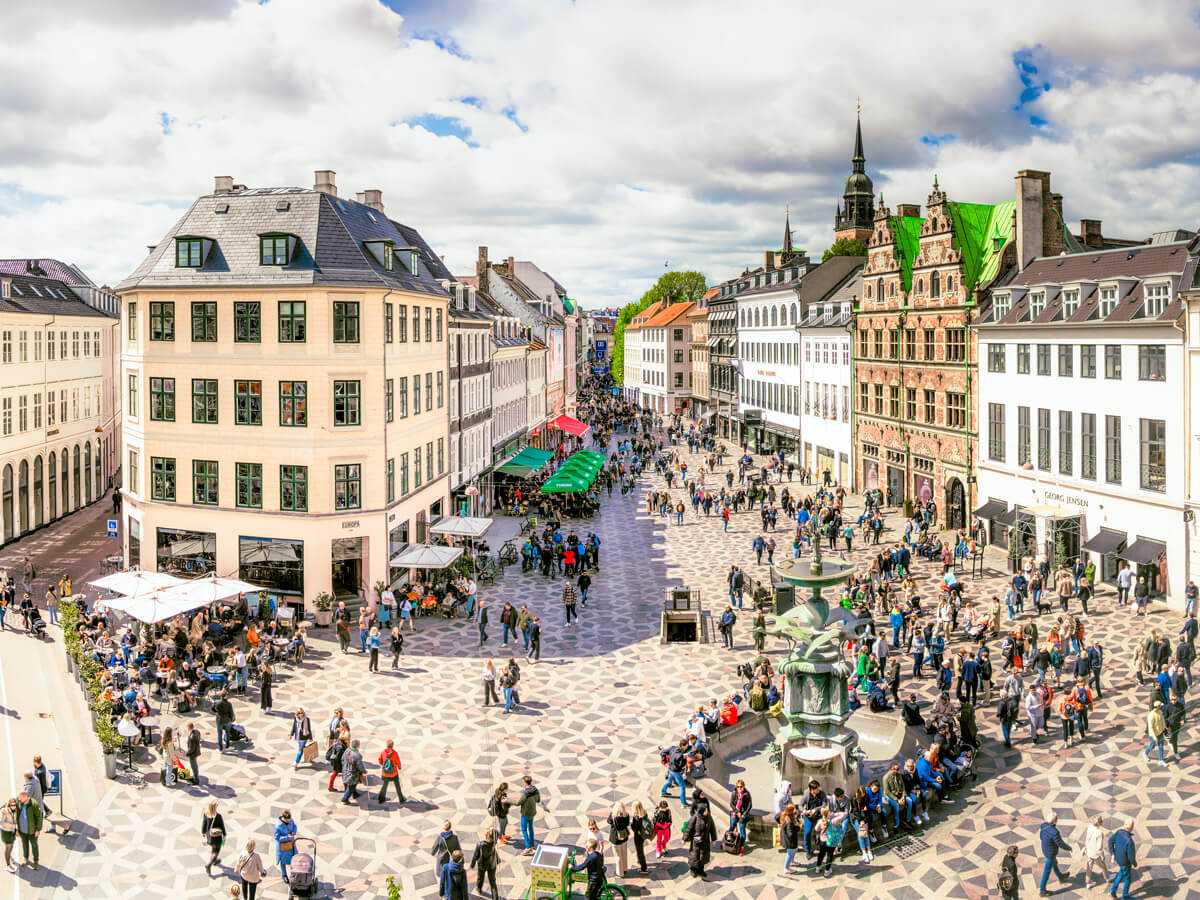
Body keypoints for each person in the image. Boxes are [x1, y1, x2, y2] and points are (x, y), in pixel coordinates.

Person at [1038, 811, 1070, 895]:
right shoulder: (1055, 832)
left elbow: (1041, 836)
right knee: (1047, 871)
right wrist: (1069, 848)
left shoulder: (1043, 825)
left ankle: (1061, 877)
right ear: (1055, 821)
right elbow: (1060, 844)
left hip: (1045, 849)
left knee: (1054, 863)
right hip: (1051, 853)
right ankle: (1042, 890)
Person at [686, 804, 718, 878]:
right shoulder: (695, 817)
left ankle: (701, 870)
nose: (707, 811)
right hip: (696, 841)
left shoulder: (709, 817)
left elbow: (712, 828)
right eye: (705, 810)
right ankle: (693, 870)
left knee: (703, 856)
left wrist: (714, 839)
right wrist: (685, 838)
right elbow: (689, 828)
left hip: (705, 840)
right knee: (695, 856)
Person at [1108, 818, 1137, 899]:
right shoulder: (1129, 841)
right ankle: (1125, 896)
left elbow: (1110, 841)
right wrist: (1134, 863)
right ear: (1131, 828)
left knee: (1121, 874)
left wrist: (1112, 853)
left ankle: (1113, 891)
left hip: (1119, 859)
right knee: (1127, 878)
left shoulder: (1118, 832)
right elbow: (1131, 857)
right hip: (1125, 862)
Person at [469, 828, 500, 900]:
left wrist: (472, 864)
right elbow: (497, 833)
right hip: (492, 863)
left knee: (480, 878)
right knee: (492, 882)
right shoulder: (494, 841)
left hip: (482, 864)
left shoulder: (480, 844)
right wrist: (493, 830)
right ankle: (495, 897)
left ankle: (479, 889)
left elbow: (475, 855)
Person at [1082, 815, 1109, 889]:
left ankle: (1088, 882)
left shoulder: (1090, 827)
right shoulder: (1099, 833)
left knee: (1089, 867)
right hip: (1095, 853)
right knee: (1102, 866)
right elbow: (1099, 848)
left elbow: (1087, 839)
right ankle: (1107, 878)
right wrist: (1102, 856)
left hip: (1089, 851)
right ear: (1100, 823)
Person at [15, 791, 39, 871]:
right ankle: (26, 859)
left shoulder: (34, 804)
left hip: (32, 831)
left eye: (21, 798)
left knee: (34, 845)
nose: (19, 799)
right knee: (25, 845)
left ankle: (36, 861)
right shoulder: (19, 802)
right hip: (22, 830)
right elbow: (10, 803)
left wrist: (38, 829)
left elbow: (39, 818)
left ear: (26, 797)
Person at [200, 800, 226, 876]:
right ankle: (209, 865)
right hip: (217, 838)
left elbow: (204, 824)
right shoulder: (218, 816)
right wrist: (224, 835)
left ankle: (214, 860)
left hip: (209, 837)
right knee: (216, 851)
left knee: (213, 849)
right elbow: (222, 827)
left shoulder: (206, 814)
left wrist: (203, 833)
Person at [377, 738, 406, 804]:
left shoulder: (383, 752)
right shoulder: (395, 753)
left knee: (384, 785)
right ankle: (401, 799)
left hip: (385, 773)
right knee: (397, 786)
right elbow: (398, 761)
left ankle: (381, 799)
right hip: (393, 773)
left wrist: (384, 765)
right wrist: (399, 767)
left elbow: (379, 760)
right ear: (392, 745)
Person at [607, 801, 631, 877]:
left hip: (616, 838)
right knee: (624, 854)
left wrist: (612, 813)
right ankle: (625, 869)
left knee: (618, 856)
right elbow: (627, 824)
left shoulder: (613, 816)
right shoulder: (626, 815)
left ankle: (620, 873)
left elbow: (608, 821)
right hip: (624, 836)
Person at [519, 775, 541, 854]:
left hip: (525, 814)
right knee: (531, 828)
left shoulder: (525, 793)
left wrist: (508, 801)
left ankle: (528, 847)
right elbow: (538, 800)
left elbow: (518, 802)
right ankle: (532, 845)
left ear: (525, 782)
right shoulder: (535, 790)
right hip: (532, 812)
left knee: (524, 830)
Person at [340, 738, 365, 804]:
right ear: (357, 746)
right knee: (352, 786)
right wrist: (363, 771)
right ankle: (345, 799)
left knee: (352, 784)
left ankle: (355, 794)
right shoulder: (357, 755)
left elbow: (342, 759)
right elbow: (360, 766)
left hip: (345, 771)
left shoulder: (347, 750)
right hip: (352, 774)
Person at [729, 779, 752, 848]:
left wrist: (744, 814)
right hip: (735, 813)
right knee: (732, 826)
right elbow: (731, 804)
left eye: (741, 787)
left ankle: (742, 845)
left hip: (742, 814)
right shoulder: (734, 793)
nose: (739, 788)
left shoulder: (747, 794)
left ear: (743, 786)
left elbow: (749, 805)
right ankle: (729, 840)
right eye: (738, 787)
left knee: (742, 829)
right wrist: (736, 812)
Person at [630, 800, 651, 873]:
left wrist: (631, 824)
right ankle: (639, 860)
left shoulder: (636, 818)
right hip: (643, 834)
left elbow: (635, 829)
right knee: (640, 848)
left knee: (640, 851)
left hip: (638, 835)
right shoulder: (644, 813)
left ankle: (644, 868)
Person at [1144, 700, 1167, 765]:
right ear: (1157, 706)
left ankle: (1161, 760)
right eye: (1161, 706)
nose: (1162, 707)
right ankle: (1145, 753)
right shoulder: (1151, 715)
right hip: (1153, 734)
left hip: (1160, 733)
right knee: (1152, 746)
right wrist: (1154, 736)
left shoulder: (1160, 712)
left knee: (1161, 746)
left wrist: (1164, 729)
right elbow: (1150, 727)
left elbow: (1162, 721)